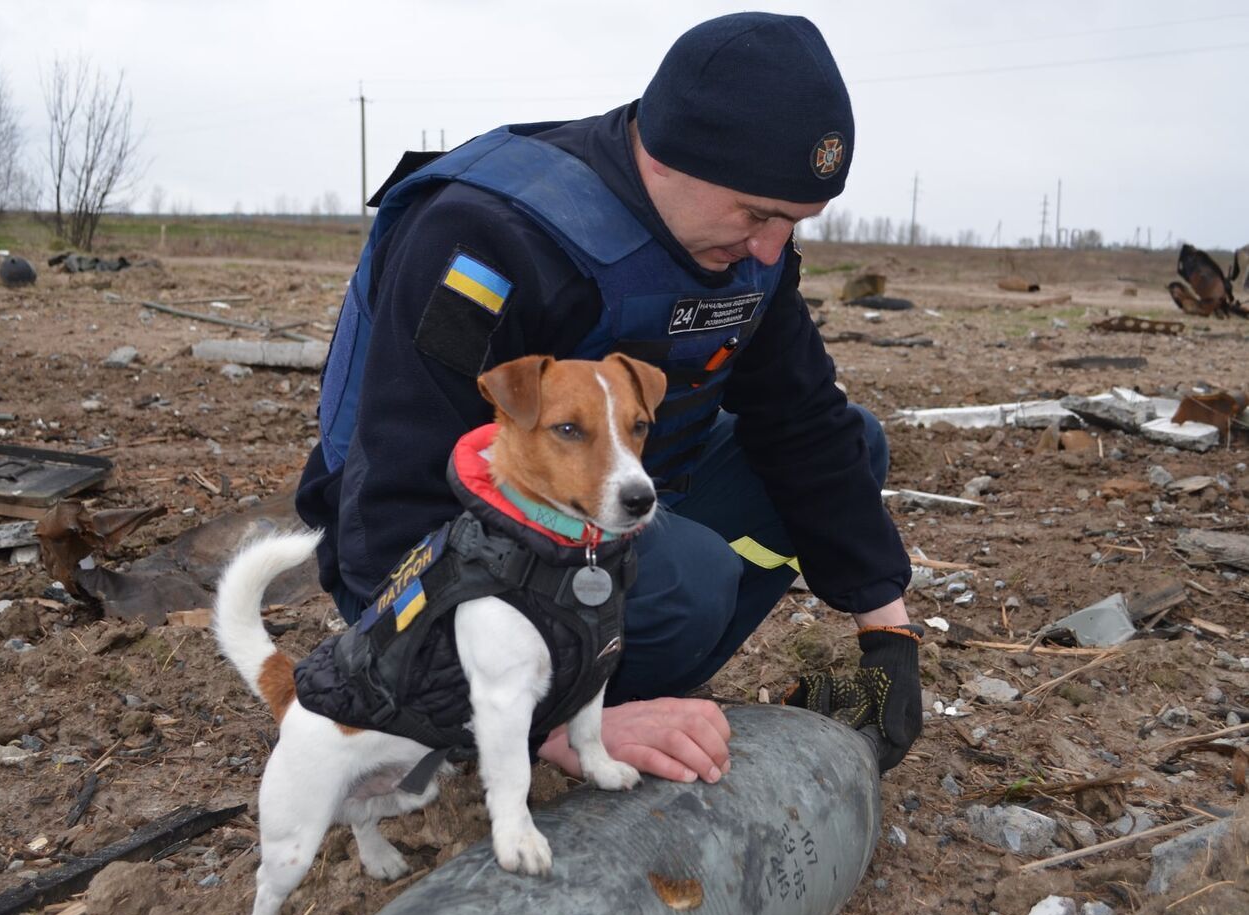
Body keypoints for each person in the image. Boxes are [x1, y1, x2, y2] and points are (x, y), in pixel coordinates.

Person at [296, 12, 921, 783]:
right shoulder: (490, 236)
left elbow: (803, 422)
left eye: (793, 224)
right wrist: (551, 732)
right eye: (758, 214)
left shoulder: (749, 250)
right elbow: (394, 514)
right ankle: (541, 704)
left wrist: (889, 637)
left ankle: (627, 673)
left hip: (620, 502)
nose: (769, 248)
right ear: (668, 156)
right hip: (440, 552)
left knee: (854, 447)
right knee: (689, 582)